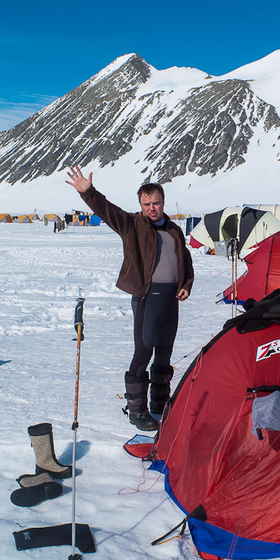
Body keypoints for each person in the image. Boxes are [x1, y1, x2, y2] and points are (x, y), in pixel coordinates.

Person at [65, 166, 194, 431]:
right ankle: (137, 410)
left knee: (164, 352)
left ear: (163, 202)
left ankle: (160, 404)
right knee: (144, 350)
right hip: (148, 297)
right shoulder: (133, 225)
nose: (152, 208)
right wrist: (88, 193)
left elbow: (185, 260)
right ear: (141, 205)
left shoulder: (174, 231)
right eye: (146, 204)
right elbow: (108, 211)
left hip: (171, 299)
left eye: (156, 202)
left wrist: (186, 284)